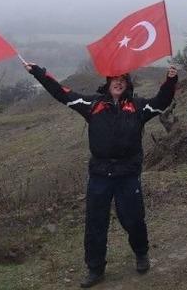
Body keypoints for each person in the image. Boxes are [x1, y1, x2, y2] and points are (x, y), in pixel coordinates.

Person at [25, 62, 178, 288]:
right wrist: (39, 73)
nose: (118, 83)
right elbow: (62, 93)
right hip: (100, 174)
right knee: (96, 222)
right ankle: (95, 269)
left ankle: (141, 253)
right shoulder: (92, 104)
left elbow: (161, 102)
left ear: (127, 84)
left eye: (122, 80)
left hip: (128, 173)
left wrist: (171, 80)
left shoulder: (138, 106)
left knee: (133, 218)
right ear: (108, 83)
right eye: (114, 79)